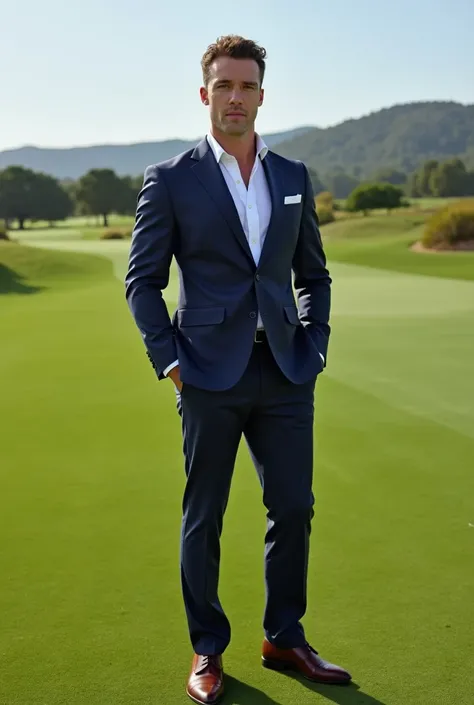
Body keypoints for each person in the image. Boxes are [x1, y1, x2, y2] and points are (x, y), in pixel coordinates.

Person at [125, 34, 351, 705]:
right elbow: (142, 282)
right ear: (205, 94)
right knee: (206, 514)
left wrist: (316, 346)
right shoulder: (170, 179)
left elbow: (313, 273)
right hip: (205, 374)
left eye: (246, 86)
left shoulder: (292, 176)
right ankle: (208, 647)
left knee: (293, 506)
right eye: (223, 86)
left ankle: (285, 634)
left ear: (261, 95)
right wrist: (169, 360)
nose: (235, 97)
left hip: (284, 370)